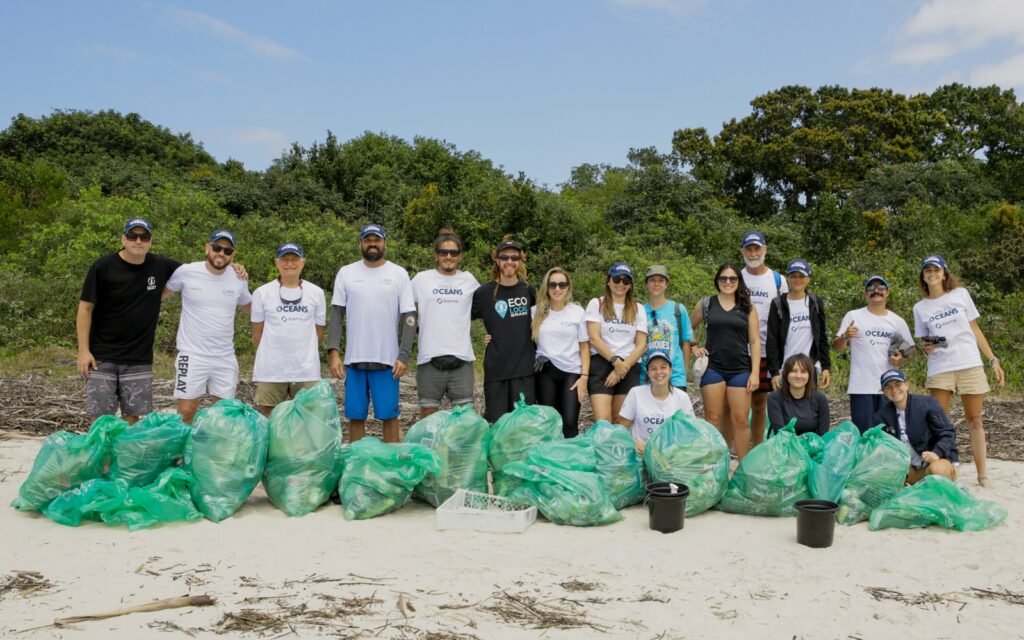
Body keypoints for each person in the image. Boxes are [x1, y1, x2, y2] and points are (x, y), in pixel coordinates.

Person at [913, 254, 1005, 487]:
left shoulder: (960, 294)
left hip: (969, 362)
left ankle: (982, 476)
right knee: (939, 421)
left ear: (944, 273)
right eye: (928, 271)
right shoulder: (920, 307)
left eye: (936, 270)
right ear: (923, 276)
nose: (932, 274)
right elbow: (925, 342)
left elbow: (974, 329)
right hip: (940, 367)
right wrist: (928, 345)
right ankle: (944, 469)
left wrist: (993, 359)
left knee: (975, 420)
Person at [77, 218, 181, 423]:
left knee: (132, 416)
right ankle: (102, 446)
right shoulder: (102, 267)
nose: (138, 241)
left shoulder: (161, 265)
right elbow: (85, 308)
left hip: (139, 357)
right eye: (133, 236)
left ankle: (127, 446)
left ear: (151, 241)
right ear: (123, 239)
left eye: (144, 237)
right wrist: (83, 351)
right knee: (101, 418)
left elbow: (201, 271)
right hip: (101, 355)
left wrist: (234, 268)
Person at [327, 224, 416, 443]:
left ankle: (391, 460)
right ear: (361, 243)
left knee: (390, 416)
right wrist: (333, 353)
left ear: (385, 243)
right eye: (368, 240)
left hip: (387, 362)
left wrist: (404, 355)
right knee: (355, 416)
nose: (372, 244)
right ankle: (358, 460)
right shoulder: (346, 273)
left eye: (377, 240)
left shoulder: (399, 274)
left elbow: (409, 317)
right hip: (354, 360)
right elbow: (337, 315)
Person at [164, 230, 252, 424]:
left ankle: (214, 444)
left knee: (224, 414)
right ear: (207, 248)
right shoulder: (186, 271)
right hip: (191, 354)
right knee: (186, 411)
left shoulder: (238, 277)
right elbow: (158, 295)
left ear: (233, 254)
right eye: (217, 248)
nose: (221, 253)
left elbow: (251, 308)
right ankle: (182, 444)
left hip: (225, 356)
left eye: (227, 251)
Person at [691, 263, 760, 461]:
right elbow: (688, 327)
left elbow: (755, 341)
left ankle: (743, 467)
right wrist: (694, 346)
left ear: (739, 281)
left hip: (740, 369)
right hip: (713, 368)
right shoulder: (706, 304)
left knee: (741, 420)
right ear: (717, 281)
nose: (728, 282)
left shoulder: (748, 307)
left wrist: (755, 373)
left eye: (732, 278)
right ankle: (713, 465)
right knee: (712, 419)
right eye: (723, 278)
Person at [250, 243, 327, 417]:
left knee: (308, 417)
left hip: (306, 370)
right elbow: (257, 334)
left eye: (294, 259)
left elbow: (319, 333)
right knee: (270, 416)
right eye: (285, 259)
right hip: (271, 370)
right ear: (277, 262)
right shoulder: (261, 292)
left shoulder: (316, 293)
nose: (290, 263)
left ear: (303, 262)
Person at [411, 229, 480, 418]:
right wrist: (414, 329)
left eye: (453, 253)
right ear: (436, 255)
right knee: (428, 413)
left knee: (464, 416)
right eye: (443, 252)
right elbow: (404, 309)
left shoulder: (469, 280)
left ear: (460, 256)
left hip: (462, 357)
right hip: (429, 357)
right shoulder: (421, 280)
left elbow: (485, 308)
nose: (448, 256)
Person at [833, 275, 914, 433]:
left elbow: (911, 349)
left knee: (889, 435)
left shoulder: (897, 321)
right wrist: (845, 336)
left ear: (887, 292)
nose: (876, 291)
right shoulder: (853, 316)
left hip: (890, 387)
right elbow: (837, 347)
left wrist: (901, 359)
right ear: (865, 293)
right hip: (861, 387)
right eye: (871, 288)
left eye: (881, 287)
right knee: (864, 435)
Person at [471, 238, 537, 423]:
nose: (509, 261)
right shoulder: (483, 293)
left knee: (522, 425)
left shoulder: (529, 291)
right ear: (497, 260)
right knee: (497, 425)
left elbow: (543, 324)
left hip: (524, 370)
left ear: (520, 260)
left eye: (514, 257)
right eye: (504, 257)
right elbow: (460, 320)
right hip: (496, 370)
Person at [738, 230, 788, 448]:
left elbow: (785, 313)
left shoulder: (778, 280)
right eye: (749, 249)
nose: (753, 253)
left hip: (768, 350)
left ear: (765, 250)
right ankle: (736, 448)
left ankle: (757, 447)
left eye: (757, 248)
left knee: (759, 403)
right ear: (742, 252)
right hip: (740, 350)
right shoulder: (736, 277)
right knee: (737, 404)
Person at [586, 262, 648, 424]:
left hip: (629, 365)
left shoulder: (638, 308)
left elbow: (641, 344)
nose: (621, 284)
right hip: (602, 361)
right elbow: (594, 338)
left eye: (626, 280)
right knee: (602, 421)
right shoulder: (597, 303)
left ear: (630, 285)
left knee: (621, 422)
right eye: (616, 279)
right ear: (608, 281)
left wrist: (622, 367)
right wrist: (615, 362)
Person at [531, 267, 589, 437]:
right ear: (546, 287)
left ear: (568, 287)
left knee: (570, 422)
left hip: (571, 371)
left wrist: (584, 377)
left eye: (562, 285)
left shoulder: (577, 312)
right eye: (553, 285)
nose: (557, 289)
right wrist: (491, 337)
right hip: (545, 371)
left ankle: (572, 453)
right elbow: (516, 335)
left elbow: (584, 347)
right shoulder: (535, 312)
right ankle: (551, 454)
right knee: (550, 423)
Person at [873, 369, 958, 484]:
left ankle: (946, 483)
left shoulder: (927, 404)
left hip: (935, 462)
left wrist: (936, 452)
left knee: (938, 470)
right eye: (888, 387)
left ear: (906, 385)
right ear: (884, 392)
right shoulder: (881, 416)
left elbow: (948, 433)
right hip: (910, 469)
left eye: (898, 384)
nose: (894, 390)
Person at [766, 258, 831, 390]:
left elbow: (822, 337)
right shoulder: (778, 303)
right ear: (788, 278)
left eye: (801, 276)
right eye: (793, 276)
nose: (797, 280)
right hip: (785, 368)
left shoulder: (815, 303)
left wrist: (826, 367)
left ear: (808, 279)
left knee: (809, 403)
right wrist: (774, 372)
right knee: (785, 403)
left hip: (808, 368)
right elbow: (772, 339)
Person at [617, 349, 694, 455]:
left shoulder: (682, 397)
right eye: (653, 368)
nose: (658, 372)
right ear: (648, 373)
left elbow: (690, 432)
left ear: (670, 370)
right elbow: (621, 428)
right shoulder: (636, 393)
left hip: (670, 455)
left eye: (663, 367)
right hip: (640, 453)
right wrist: (634, 444)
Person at [642, 264, 694, 390]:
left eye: (661, 280)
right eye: (652, 280)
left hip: (675, 377)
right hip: (646, 377)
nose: (656, 284)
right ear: (646, 284)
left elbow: (686, 343)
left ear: (666, 285)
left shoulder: (678, 310)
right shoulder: (639, 311)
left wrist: (685, 371)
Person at [766, 353, 830, 437]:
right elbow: (780, 433)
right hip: (784, 444)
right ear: (786, 374)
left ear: (810, 375)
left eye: (803, 371)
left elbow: (823, 435)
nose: (798, 376)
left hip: (813, 444)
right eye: (793, 371)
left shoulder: (820, 399)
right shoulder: (774, 398)